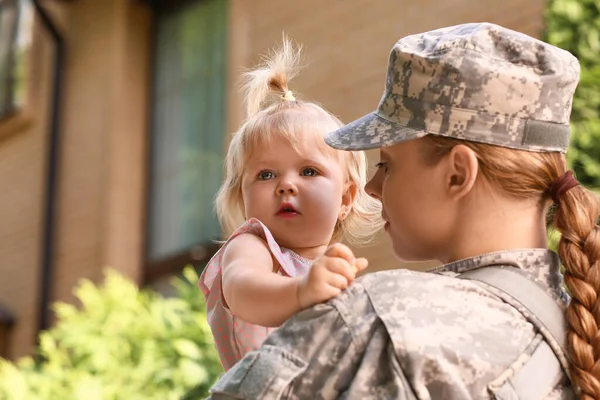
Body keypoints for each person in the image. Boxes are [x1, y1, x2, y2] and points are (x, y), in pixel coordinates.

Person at [206, 22, 596, 399]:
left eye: (387, 164)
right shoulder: (580, 330)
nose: (373, 189)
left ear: (458, 174)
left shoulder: (379, 319)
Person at [198, 38, 382, 371]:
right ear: (243, 196)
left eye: (309, 171)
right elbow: (242, 288)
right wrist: (301, 291)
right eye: (266, 174)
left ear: (345, 198)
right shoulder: (253, 247)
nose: (286, 185)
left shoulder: (328, 271)